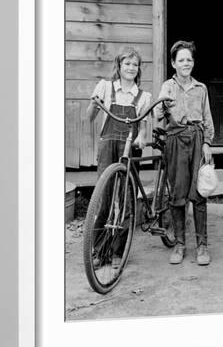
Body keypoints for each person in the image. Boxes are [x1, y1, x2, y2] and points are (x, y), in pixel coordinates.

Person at [87, 46, 151, 268]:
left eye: (135, 65)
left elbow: (143, 127)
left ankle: (117, 252)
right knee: (104, 197)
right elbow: (90, 117)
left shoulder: (144, 96)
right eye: (127, 64)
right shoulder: (105, 87)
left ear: (138, 69)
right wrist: (94, 104)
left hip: (129, 148)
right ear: (119, 66)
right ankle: (98, 251)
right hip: (108, 146)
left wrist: (141, 137)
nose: (131, 68)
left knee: (126, 199)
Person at [156, 40, 214, 266]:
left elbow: (207, 117)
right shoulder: (167, 87)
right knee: (178, 193)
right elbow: (159, 115)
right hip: (175, 141)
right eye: (181, 60)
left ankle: (202, 246)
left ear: (193, 62)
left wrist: (208, 143)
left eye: (189, 59)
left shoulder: (201, 88)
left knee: (199, 193)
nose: (186, 63)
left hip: (198, 140)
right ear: (173, 63)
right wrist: (163, 107)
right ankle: (180, 244)